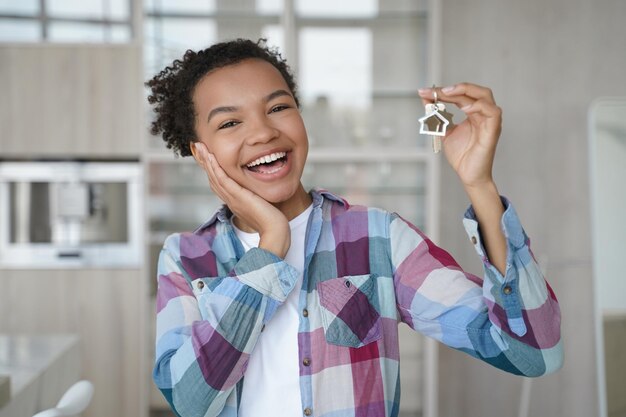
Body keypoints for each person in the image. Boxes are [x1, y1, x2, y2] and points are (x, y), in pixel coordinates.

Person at [146, 38, 563, 417]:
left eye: (278, 107)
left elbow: (534, 353)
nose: (263, 132)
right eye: (229, 123)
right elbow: (189, 400)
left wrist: (480, 184)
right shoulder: (184, 258)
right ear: (200, 153)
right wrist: (272, 243)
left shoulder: (379, 237)